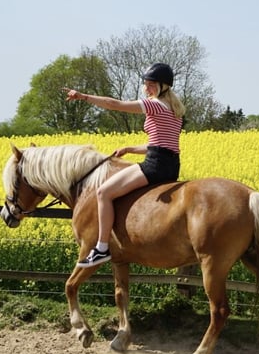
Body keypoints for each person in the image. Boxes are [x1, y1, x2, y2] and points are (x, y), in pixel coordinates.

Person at [64, 62, 185, 267]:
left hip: (155, 165)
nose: (147, 88)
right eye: (146, 84)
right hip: (170, 165)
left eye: (151, 84)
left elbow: (114, 104)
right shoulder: (175, 111)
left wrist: (84, 97)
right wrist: (129, 149)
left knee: (103, 192)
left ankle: (102, 248)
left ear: (163, 86)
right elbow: (160, 145)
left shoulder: (154, 105)